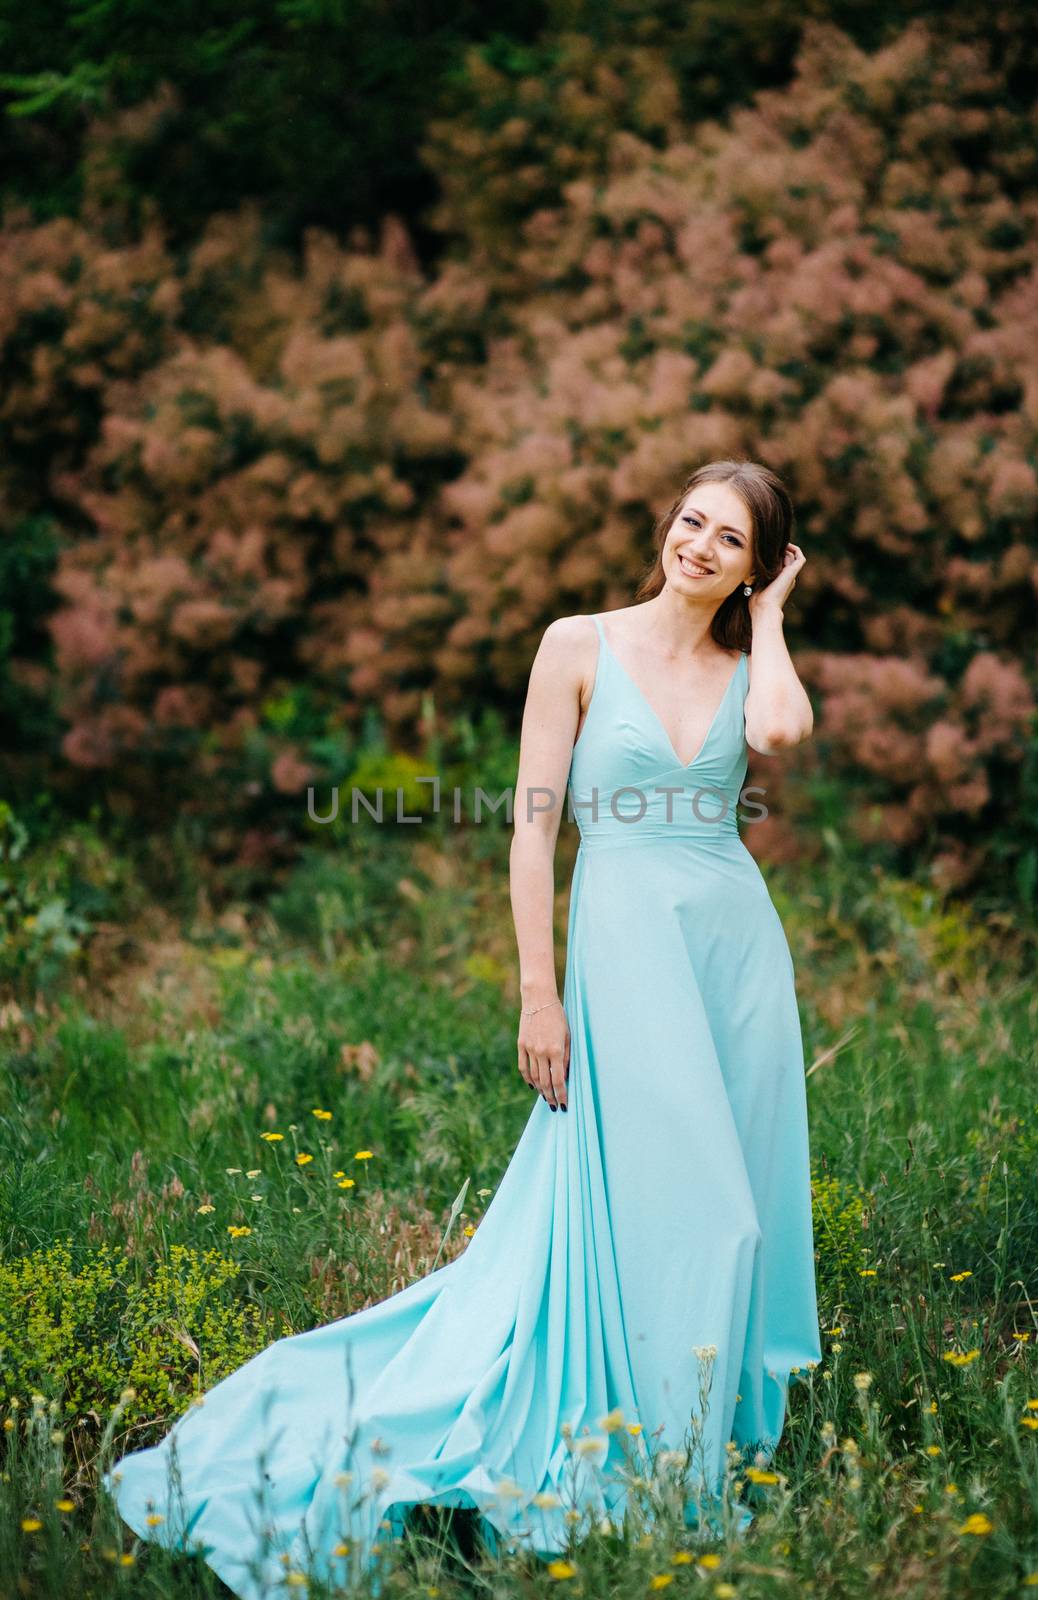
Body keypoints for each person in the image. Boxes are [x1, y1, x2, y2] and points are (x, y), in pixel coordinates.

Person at [103, 456, 822, 1598]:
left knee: (721, 1206)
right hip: (625, 945)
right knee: (709, 1217)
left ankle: (679, 1454)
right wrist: (538, 992)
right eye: (690, 522)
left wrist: (772, 616)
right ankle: (638, 1459)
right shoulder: (576, 644)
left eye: (729, 541)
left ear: (751, 564)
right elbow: (533, 832)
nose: (698, 547)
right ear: (664, 524)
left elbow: (780, 737)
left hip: (733, 953)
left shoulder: (748, 662)